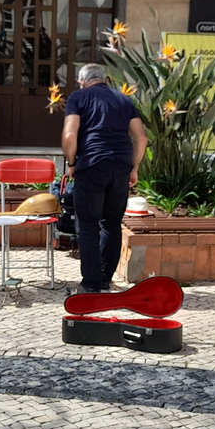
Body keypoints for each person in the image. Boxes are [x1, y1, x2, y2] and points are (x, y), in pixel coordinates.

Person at [61, 64, 148, 294]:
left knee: (88, 225)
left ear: (82, 82)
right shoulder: (124, 100)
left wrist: (71, 163)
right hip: (120, 165)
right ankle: (104, 280)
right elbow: (141, 137)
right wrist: (134, 168)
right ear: (106, 79)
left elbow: (70, 135)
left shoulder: (78, 97)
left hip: (92, 165)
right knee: (111, 223)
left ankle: (90, 284)